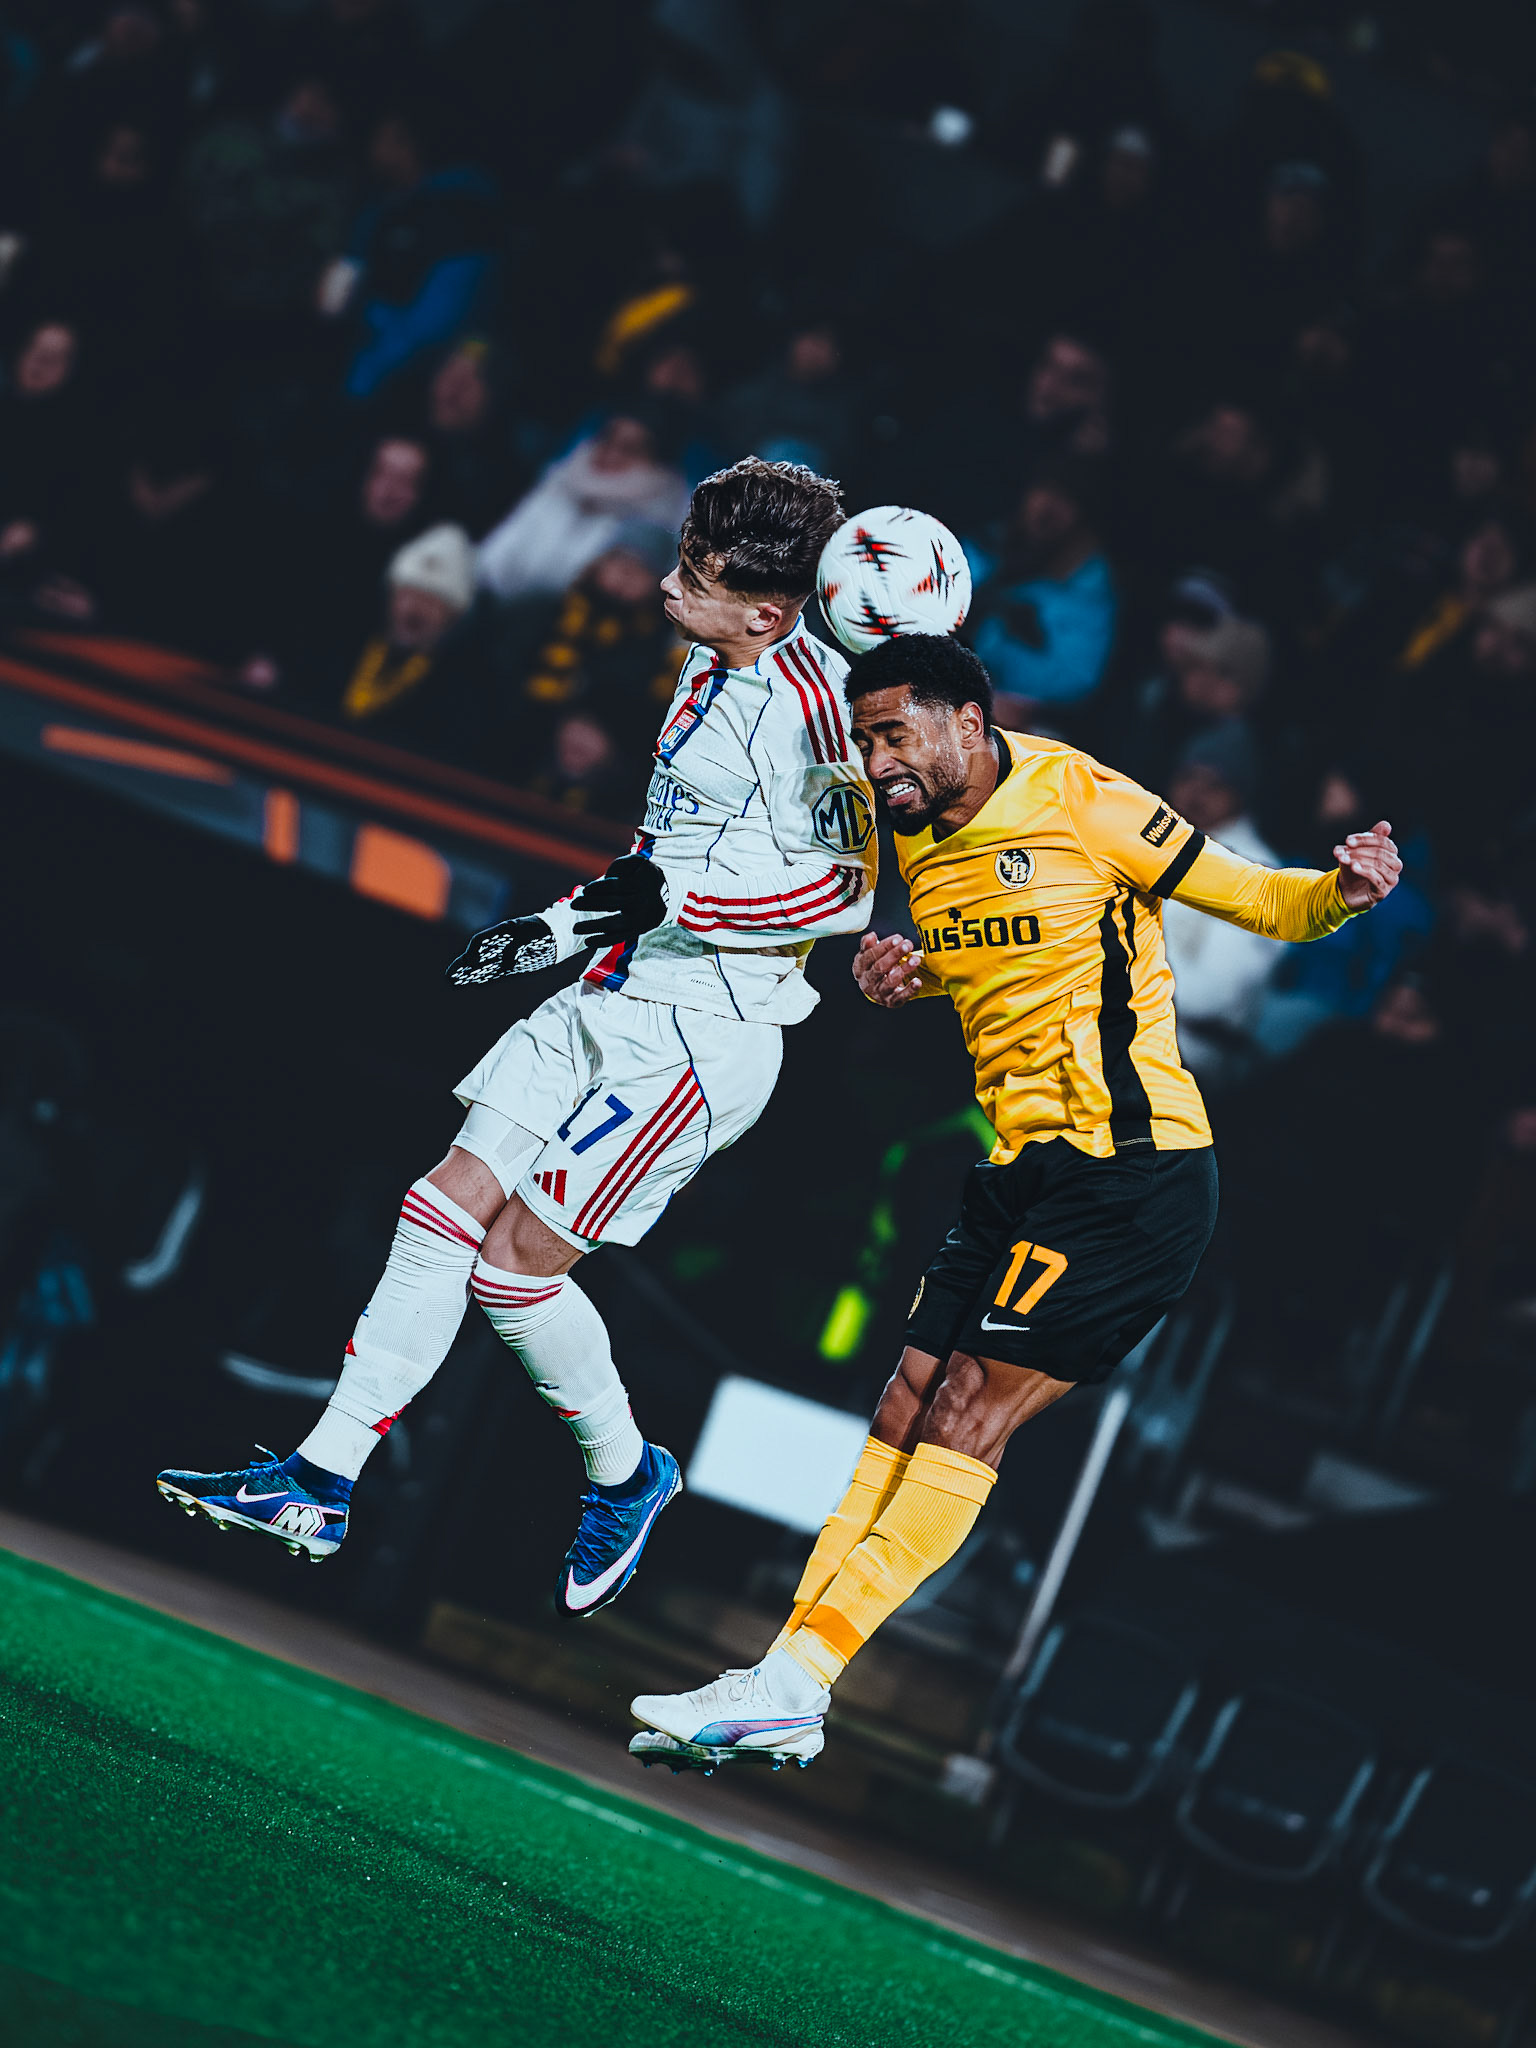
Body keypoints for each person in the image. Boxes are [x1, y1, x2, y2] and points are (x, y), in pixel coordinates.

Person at [628, 631, 1399, 1769]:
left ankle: (801, 1677)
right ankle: (781, 1673)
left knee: (965, 1411)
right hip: (1020, 1168)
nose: (879, 758)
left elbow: (1262, 903)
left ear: (966, 724)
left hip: (1132, 1172)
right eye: (867, 737)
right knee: (901, 1405)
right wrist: (913, 971)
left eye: (895, 733)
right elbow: (1004, 951)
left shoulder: (1079, 793)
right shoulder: (919, 845)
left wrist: (1343, 890)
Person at [156, 458, 876, 1620]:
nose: (664, 584)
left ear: (769, 609)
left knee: (510, 1270)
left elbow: (838, 897)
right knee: (438, 1203)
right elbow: (667, 849)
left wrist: (668, 909)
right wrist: (560, 925)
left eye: (694, 574)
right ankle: (320, 1479)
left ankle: (627, 1472)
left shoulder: (819, 709)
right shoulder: (706, 658)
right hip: (612, 989)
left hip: (703, 1037)